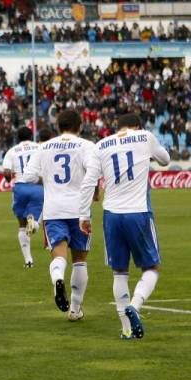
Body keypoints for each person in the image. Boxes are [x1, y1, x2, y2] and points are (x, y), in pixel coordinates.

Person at [79, 113, 170, 339]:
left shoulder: (101, 145)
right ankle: (135, 305)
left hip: (111, 215)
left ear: (116, 127)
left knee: (119, 272)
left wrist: (84, 216)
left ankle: (127, 330)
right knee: (152, 267)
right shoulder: (145, 137)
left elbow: (89, 181)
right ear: (137, 126)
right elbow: (166, 159)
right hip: (138, 212)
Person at [22, 110, 95, 321]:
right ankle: (75, 309)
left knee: (59, 253)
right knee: (80, 260)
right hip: (79, 210)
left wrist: (47, 176)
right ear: (79, 126)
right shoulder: (86, 146)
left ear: (57, 126)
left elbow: (28, 176)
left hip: (53, 210)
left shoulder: (44, 147)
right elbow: (93, 171)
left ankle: (57, 278)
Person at [2, 127, 43, 268]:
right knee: (41, 216)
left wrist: (8, 180)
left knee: (21, 226)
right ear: (31, 136)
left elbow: (7, 172)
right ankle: (35, 224)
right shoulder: (39, 147)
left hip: (20, 188)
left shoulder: (12, 151)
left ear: (18, 137)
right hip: (37, 186)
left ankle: (28, 260)